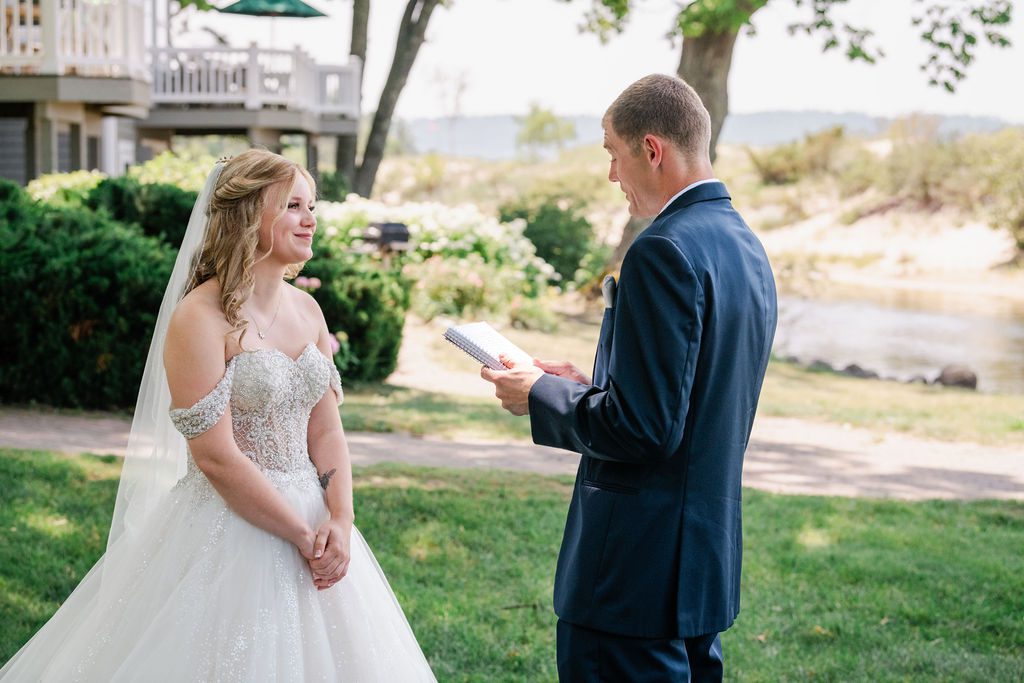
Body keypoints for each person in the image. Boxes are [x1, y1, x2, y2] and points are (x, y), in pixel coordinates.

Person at [0, 150, 435, 681]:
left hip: (318, 519)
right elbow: (216, 457)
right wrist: (300, 534)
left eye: (312, 205)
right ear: (250, 215)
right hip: (231, 524)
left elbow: (325, 428)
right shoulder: (199, 318)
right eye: (293, 205)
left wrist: (339, 521)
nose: (310, 218)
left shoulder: (309, 310)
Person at [482, 74, 778, 681]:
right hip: (700, 567)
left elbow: (643, 430)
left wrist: (536, 392)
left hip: (633, 575)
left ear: (651, 150)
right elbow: (688, 404)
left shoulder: (662, 249)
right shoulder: (743, 244)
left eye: (614, 156)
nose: (613, 176)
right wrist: (576, 383)